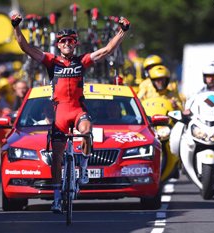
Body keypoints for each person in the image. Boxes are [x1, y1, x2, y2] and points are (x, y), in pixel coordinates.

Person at [11, 13, 130, 212]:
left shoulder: (82, 61)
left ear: (75, 44)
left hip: (77, 110)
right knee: (57, 157)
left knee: (86, 130)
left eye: (71, 41)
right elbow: (25, 47)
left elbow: (107, 50)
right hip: (60, 114)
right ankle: (57, 198)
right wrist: (16, 27)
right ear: (58, 45)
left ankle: (83, 169)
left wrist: (122, 31)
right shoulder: (51, 62)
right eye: (63, 41)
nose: (67, 43)